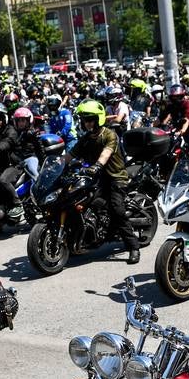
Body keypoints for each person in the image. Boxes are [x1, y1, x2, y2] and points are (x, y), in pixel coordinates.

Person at [64, 98, 141, 264]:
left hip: (116, 177)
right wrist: (56, 166)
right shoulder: (86, 138)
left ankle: (133, 247)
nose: (87, 123)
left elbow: (105, 153)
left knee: (117, 209)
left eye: (90, 119)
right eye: (84, 120)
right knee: (81, 201)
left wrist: (97, 166)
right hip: (97, 178)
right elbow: (70, 155)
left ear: (98, 119)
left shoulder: (109, 135)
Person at [0, 107, 41, 223]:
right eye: (19, 120)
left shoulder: (33, 133)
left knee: (35, 174)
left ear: (28, 121)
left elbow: (40, 149)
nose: (21, 123)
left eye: (23, 120)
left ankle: (40, 197)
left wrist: (43, 160)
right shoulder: (14, 133)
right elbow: (8, 142)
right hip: (17, 163)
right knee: (2, 180)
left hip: (30, 158)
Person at [160, 84, 189, 157]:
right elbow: (160, 118)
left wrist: (181, 131)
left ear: (182, 96)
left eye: (178, 96)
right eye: (174, 96)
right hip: (177, 134)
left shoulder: (187, 104)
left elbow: (187, 119)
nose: (175, 98)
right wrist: (150, 128)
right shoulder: (170, 106)